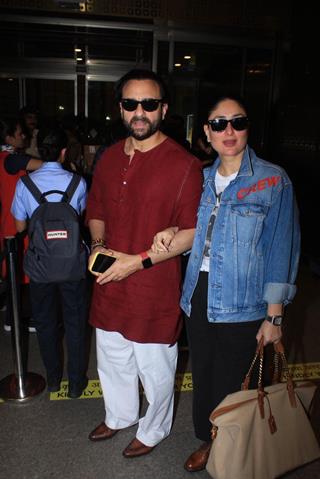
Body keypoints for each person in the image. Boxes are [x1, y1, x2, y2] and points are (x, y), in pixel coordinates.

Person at [151, 94, 301, 472]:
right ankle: (208, 438)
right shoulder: (198, 178)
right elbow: (188, 229)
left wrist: (275, 316)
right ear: (207, 131)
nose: (229, 131)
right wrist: (172, 229)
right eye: (219, 124)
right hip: (197, 295)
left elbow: (282, 248)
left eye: (238, 122)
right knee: (203, 372)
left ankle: (236, 446)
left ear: (248, 127)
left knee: (237, 380)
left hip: (246, 301)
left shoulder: (272, 180)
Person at [86, 69, 203, 457]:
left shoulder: (184, 164)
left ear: (163, 109)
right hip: (109, 283)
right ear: (120, 109)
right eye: (131, 103)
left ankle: (153, 430)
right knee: (113, 358)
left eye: (149, 104)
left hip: (153, 288)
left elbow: (191, 233)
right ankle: (119, 416)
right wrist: (98, 245)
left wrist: (135, 262)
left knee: (156, 371)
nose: (140, 112)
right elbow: (96, 209)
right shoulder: (107, 158)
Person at [11, 128, 88, 398]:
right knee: (76, 323)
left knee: (45, 322)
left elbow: (20, 226)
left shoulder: (25, 184)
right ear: (64, 152)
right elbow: (79, 216)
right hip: (72, 265)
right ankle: (76, 383)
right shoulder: (78, 183)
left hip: (41, 266)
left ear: (39, 152)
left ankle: (53, 379)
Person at [0, 117, 42, 332]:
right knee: (19, 274)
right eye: (19, 133)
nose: (23, 136)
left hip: (11, 222)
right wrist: (56, 164)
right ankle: (13, 320)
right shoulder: (10, 159)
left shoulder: (7, 158)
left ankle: (12, 315)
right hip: (13, 226)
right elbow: (41, 164)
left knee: (14, 273)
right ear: (8, 137)